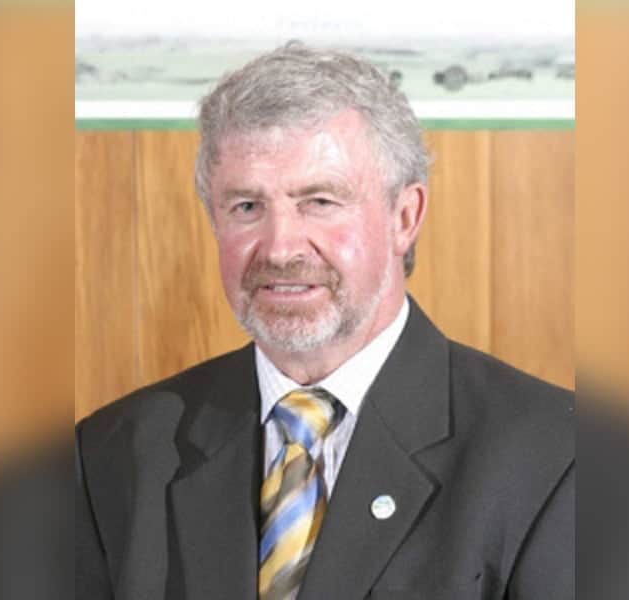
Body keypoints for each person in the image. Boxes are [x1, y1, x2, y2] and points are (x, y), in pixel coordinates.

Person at [75, 43, 574, 600]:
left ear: (404, 217)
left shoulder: (553, 457)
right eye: (246, 207)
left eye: (319, 201)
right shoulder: (113, 456)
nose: (281, 247)